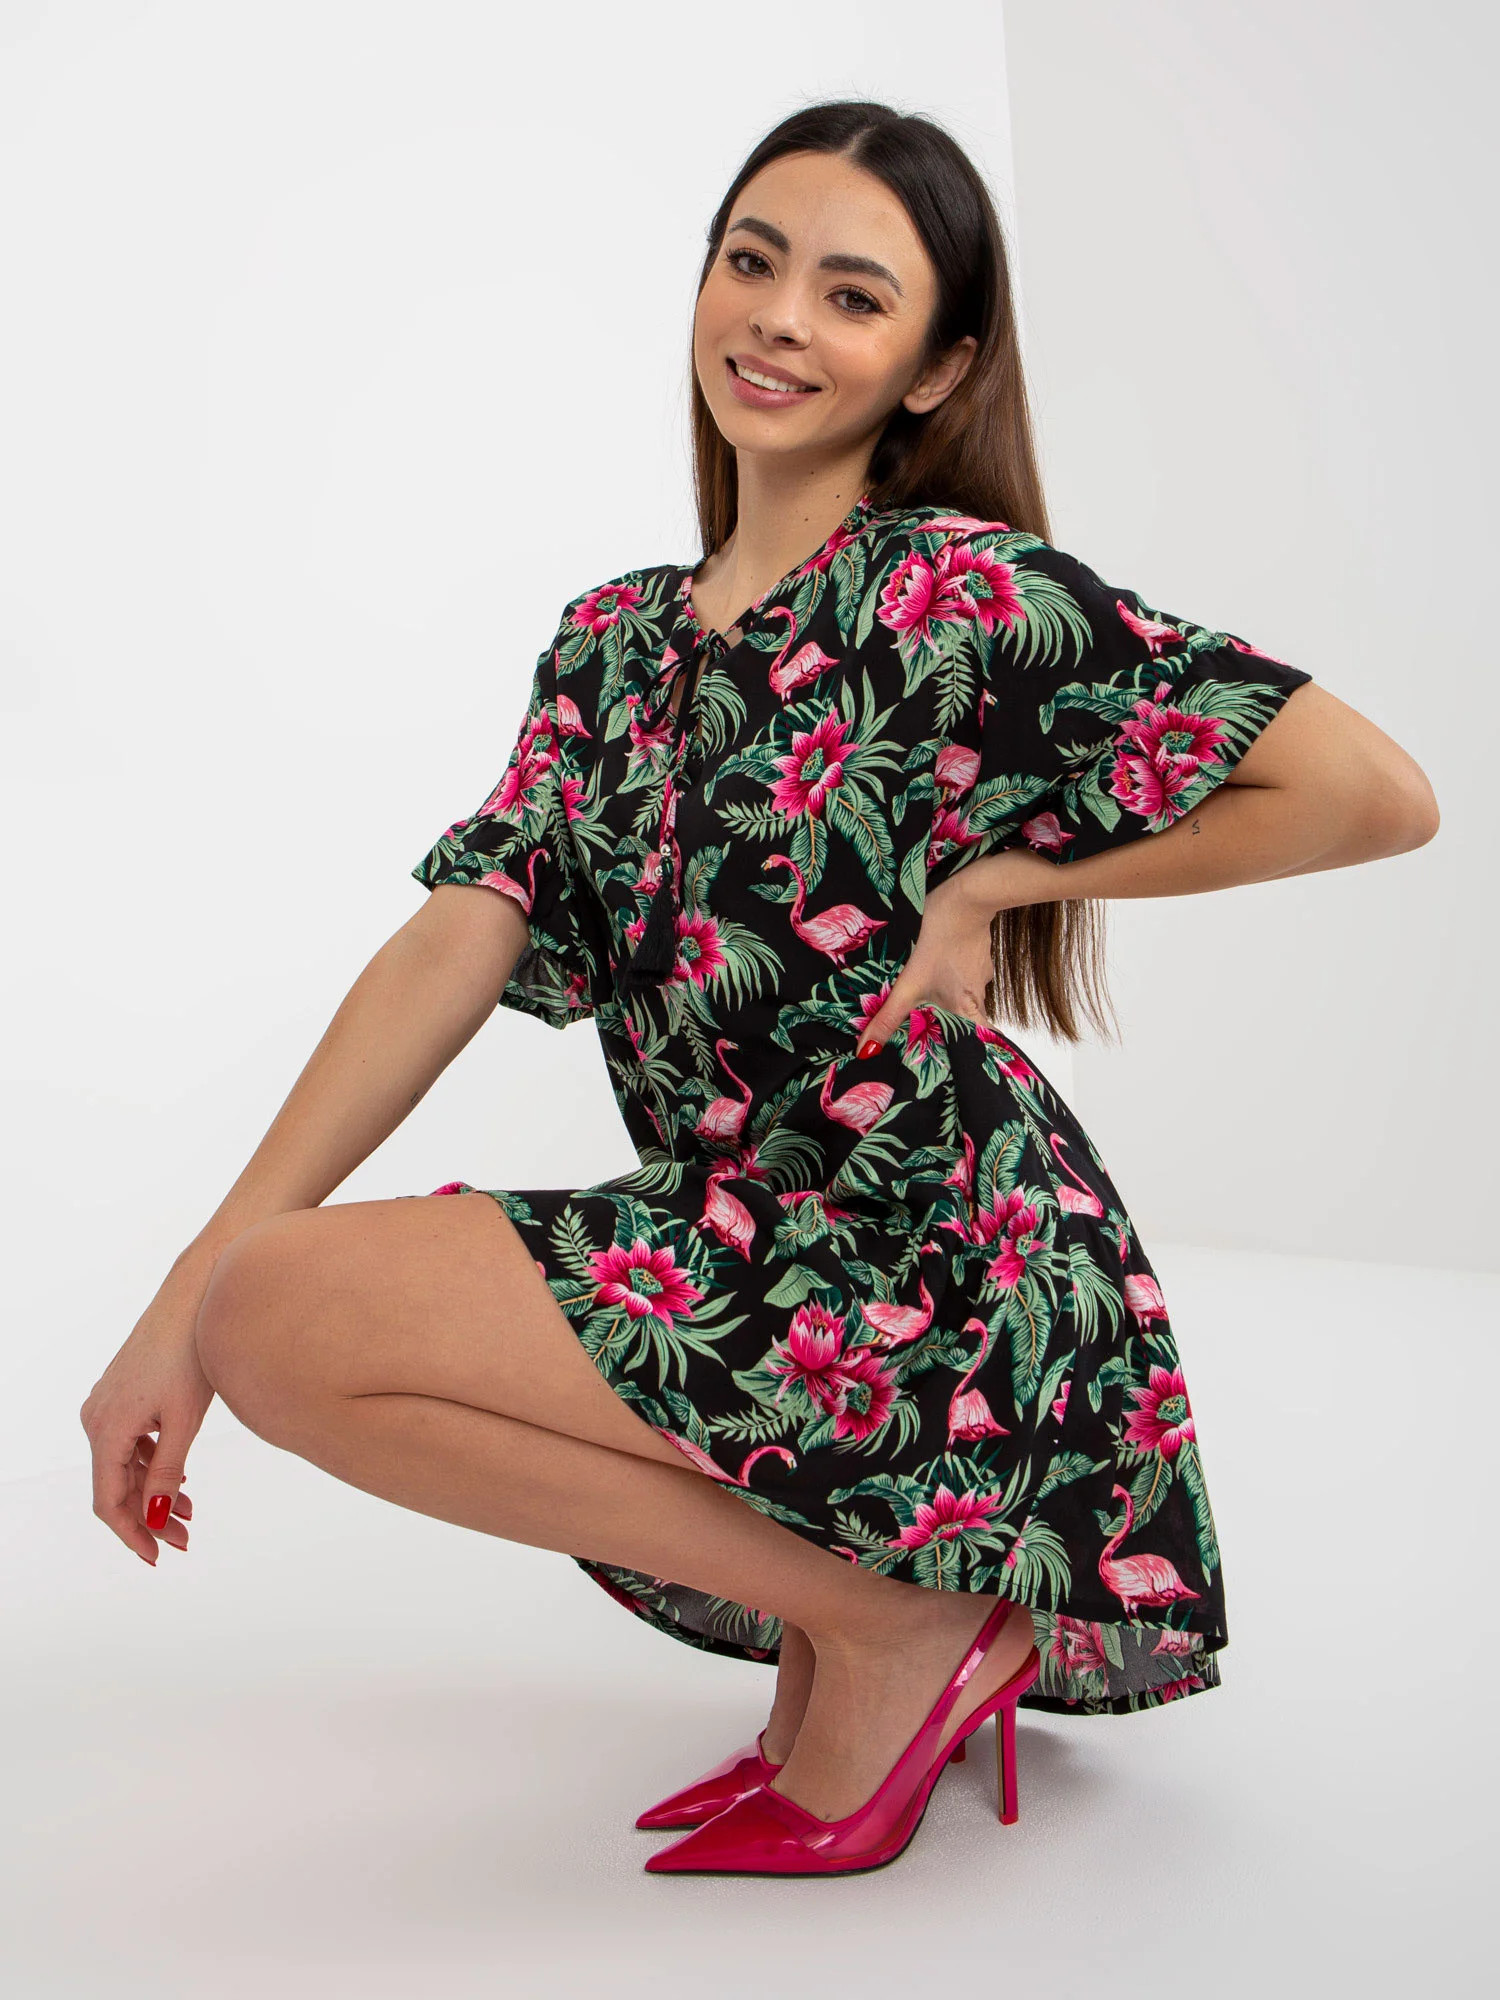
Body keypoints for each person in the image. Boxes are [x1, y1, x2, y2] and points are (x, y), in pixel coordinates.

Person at [80, 101, 1439, 1878]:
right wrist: (177, 1290)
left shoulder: (957, 595)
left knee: (278, 1312)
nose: (781, 319)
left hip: (932, 1260)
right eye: (753, 261)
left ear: (937, 368)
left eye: (853, 295)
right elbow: (462, 930)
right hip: (742, 1234)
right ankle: (865, 1618)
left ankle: (887, 1626)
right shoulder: (614, 642)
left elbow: (1371, 791)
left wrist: (1006, 880)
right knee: (261, 1309)